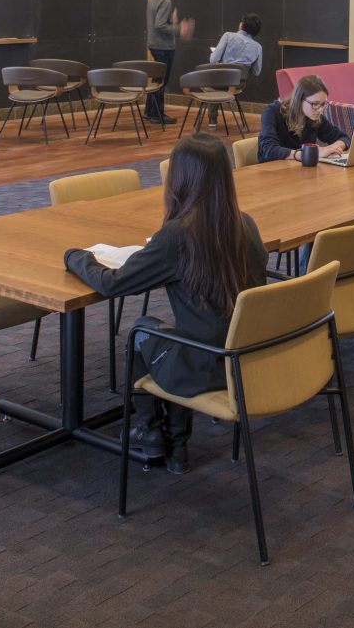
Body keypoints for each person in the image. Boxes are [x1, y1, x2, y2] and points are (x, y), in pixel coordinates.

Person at [63, 133, 266, 474]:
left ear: (180, 177)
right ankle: (175, 444)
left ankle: (152, 432)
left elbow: (114, 284)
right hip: (247, 357)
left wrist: (77, 257)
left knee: (142, 331)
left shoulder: (177, 235)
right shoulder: (244, 224)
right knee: (172, 332)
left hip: (205, 366)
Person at [258, 73, 347, 163]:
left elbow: (344, 138)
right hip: (272, 170)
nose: (320, 110)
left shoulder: (314, 116)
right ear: (299, 100)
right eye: (315, 104)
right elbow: (268, 149)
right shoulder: (272, 112)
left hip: (300, 170)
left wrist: (332, 148)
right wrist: (308, 154)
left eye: (323, 104)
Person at [144, 0, 191, 125]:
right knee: (161, 82)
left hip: (154, 44)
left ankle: (150, 112)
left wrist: (173, 22)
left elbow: (158, 23)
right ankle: (158, 115)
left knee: (157, 79)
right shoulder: (165, 1)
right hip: (163, 47)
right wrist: (179, 29)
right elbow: (160, 25)